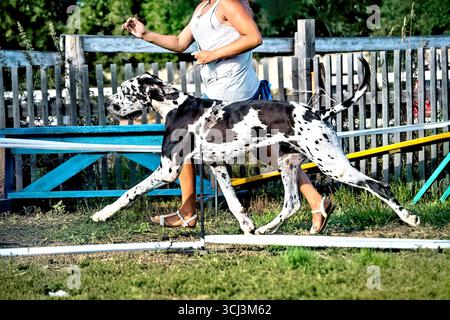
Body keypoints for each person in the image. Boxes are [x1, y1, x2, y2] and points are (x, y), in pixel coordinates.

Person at [121, 0, 334, 234]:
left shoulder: (228, 3)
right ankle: (316, 202)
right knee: (269, 150)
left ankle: (188, 212)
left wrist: (213, 54)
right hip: (216, 92)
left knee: (183, 142)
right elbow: (180, 43)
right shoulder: (203, 7)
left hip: (234, 91)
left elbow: (253, 37)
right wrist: (145, 34)